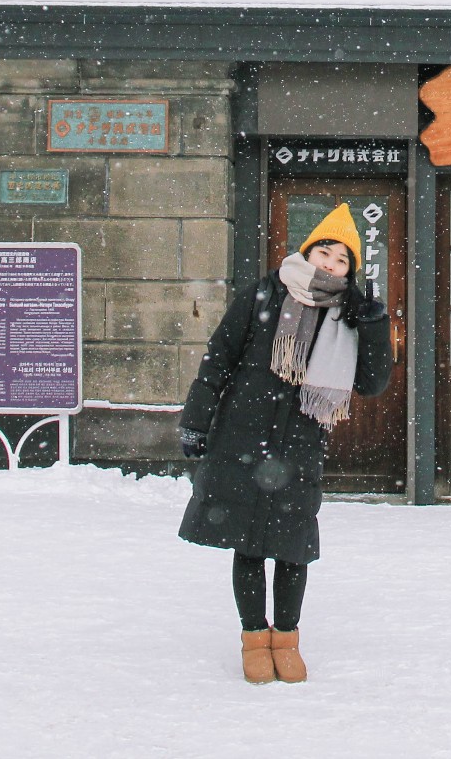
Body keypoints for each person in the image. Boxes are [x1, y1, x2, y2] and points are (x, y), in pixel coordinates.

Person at [177, 203, 392, 684]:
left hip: (299, 446)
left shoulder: (349, 316)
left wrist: (375, 324)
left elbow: (374, 383)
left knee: (293, 546)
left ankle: (287, 638)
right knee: (248, 545)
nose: (330, 265)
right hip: (241, 437)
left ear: (349, 271)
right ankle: (255, 637)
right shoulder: (261, 295)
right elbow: (219, 360)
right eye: (325, 252)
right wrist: (197, 421)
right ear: (308, 250)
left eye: (342, 260)